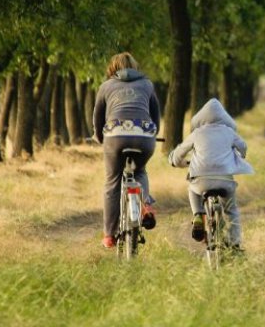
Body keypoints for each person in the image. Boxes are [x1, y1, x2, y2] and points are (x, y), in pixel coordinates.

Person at [93, 52, 160, 249]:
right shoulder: (147, 85)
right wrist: (152, 135)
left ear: (113, 68)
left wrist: (99, 138)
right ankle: (146, 204)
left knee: (112, 181)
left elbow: (98, 119)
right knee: (140, 171)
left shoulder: (106, 87)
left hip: (115, 136)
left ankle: (109, 235)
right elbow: (155, 116)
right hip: (144, 135)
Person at [168, 98, 254, 250]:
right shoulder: (229, 132)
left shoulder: (197, 133)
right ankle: (234, 243)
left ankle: (197, 216)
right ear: (224, 118)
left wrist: (176, 162)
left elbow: (177, 155)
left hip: (201, 181)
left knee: (192, 189)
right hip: (225, 180)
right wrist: (239, 156)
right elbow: (243, 147)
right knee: (231, 210)